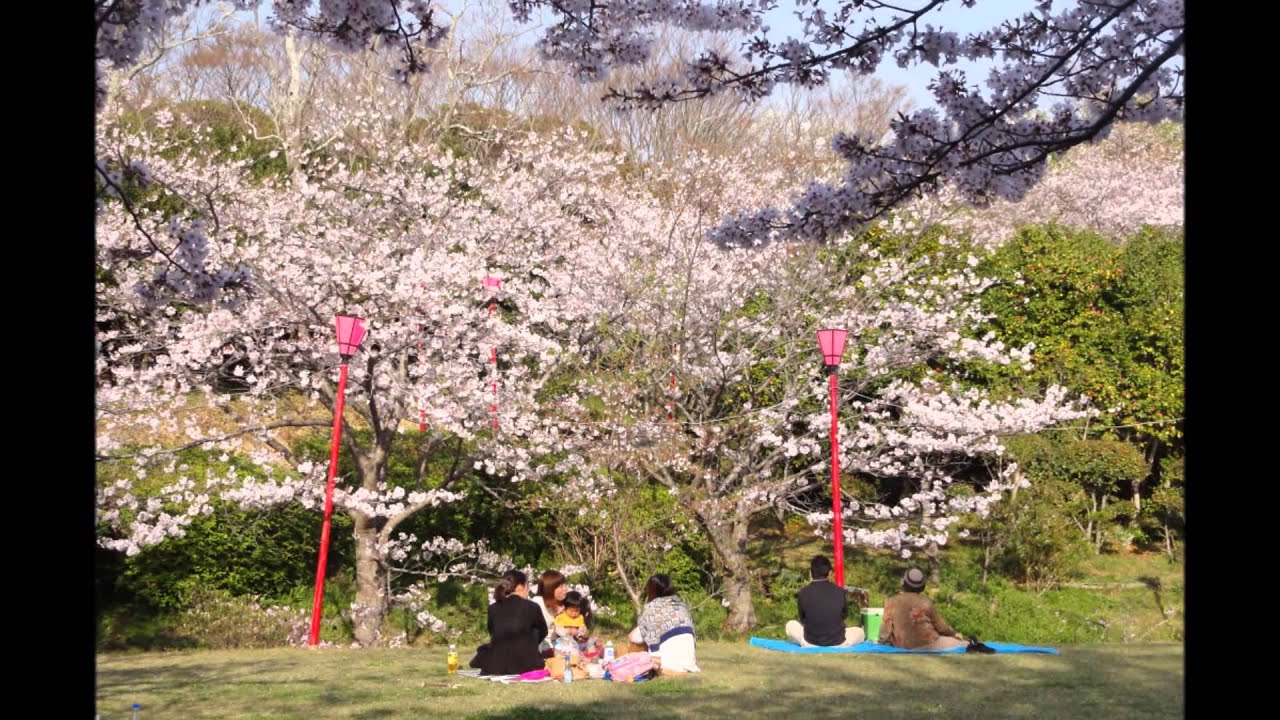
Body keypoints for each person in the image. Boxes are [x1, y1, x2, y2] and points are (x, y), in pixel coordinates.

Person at [474, 569, 548, 675]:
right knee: (533, 631)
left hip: (495, 666)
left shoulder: (493, 608)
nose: (528, 590)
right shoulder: (532, 607)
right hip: (527, 665)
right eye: (527, 586)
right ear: (520, 587)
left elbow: (493, 632)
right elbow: (543, 631)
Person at [785, 555, 867, 647]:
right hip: (838, 643)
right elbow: (844, 615)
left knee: (790, 624)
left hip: (810, 643)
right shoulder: (840, 591)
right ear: (830, 573)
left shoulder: (803, 592)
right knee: (860, 632)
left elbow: (803, 619)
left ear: (810, 573)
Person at [627, 573, 700, 673]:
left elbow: (633, 637)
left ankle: (660, 666)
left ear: (651, 590)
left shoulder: (652, 608)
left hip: (666, 662)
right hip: (689, 662)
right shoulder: (681, 605)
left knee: (637, 642)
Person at [879, 567, 966, 650]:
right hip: (929, 645)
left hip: (902, 646)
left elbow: (884, 632)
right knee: (961, 644)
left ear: (904, 583)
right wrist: (954, 634)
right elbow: (942, 628)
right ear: (922, 586)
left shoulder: (890, 601)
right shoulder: (925, 602)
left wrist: (884, 645)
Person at [530, 569, 568, 655]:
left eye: (565, 585)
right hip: (540, 651)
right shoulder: (537, 604)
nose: (565, 589)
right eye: (561, 586)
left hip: (554, 645)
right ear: (550, 588)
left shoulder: (557, 604)